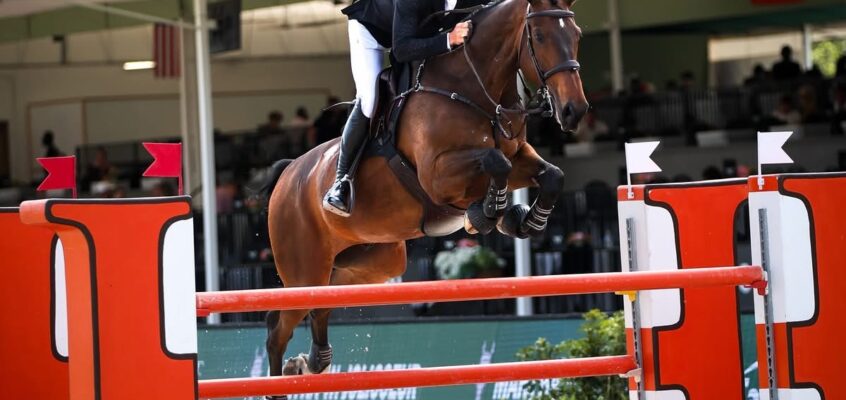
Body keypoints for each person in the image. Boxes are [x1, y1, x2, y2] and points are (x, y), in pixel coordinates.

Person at [323, 0, 482, 217]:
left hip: (415, 35)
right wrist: (448, 39)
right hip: (373, 32)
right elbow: (401, 49)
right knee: (369, 100)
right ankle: (340, 183)